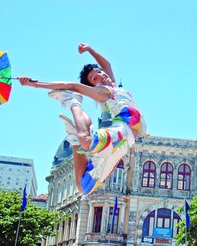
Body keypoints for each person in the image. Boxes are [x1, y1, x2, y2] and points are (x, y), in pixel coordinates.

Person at [19, 43, 146, 195]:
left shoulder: (113, 86)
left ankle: (74, 139)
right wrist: (34, 84)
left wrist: (89, 49)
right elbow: (72, 85)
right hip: (122, 132)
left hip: (124, 145)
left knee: (84, 187)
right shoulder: (104, 92)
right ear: (94, 86)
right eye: (94, 78)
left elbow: (107, 64)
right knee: (86, 142)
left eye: (99, 72)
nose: (100, 75)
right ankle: (73, 103)